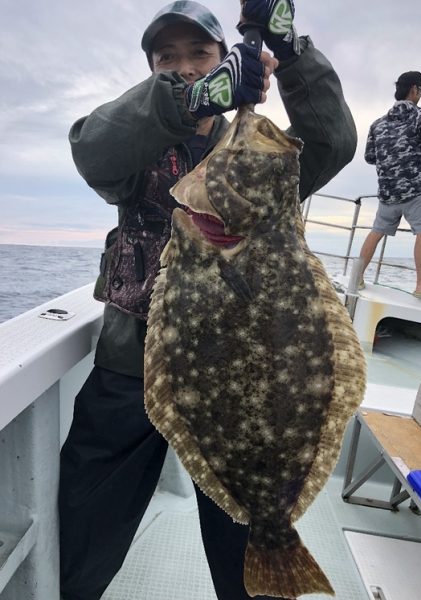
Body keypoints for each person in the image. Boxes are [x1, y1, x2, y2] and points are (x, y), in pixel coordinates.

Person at [59, 1, 357, 599]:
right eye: (167, 58)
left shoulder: (267, 163)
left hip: (244, 375)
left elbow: (332, 139)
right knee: (81, 540)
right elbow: (91, 148)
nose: (186, 67)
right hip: (129, 364)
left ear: (231, 63)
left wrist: (292, 51)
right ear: (151, 72)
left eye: (200, 55)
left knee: (247, 546)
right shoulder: (133, 145)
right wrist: (188, 101)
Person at [359, 70, 421, 299]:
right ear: (415, 90)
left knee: (376, 232)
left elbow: (370, 156)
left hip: (388, 191)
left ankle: (356, 278)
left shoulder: (378, 124)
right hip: (416, 189)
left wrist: (392, 162)